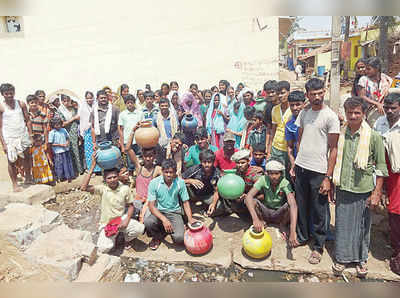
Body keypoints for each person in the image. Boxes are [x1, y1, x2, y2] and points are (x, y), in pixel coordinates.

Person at [332, 97, 388, 278]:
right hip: (343, 187)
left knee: (362, 227)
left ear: (364, 114)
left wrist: (377, 192)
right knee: (343, 224)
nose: (353, 116)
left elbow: (381, 166)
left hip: (363, 188)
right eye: (350, 112)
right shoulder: (340, 133)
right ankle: (341, 258)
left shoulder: (374, 137)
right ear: (345, 113)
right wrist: (329, 181)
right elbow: (333, 157)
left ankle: (361, 259)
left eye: (357, 112)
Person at [294, 78, 339, 264]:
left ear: (325, 91)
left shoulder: (331, 117)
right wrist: (295, 162)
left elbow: (334, 149)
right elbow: (300, 138)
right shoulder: (304, 113)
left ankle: (319, 246)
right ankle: (303, 237)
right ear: (307, 95)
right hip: (302, 167)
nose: (317, 97)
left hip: (319, 171)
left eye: (320, 93)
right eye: (313, 94)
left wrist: (328, 177)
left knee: (320, 210)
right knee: (302, 205)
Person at [81, 160, 145, 253]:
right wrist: (92, 168)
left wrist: (126, 220)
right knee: (103, 249)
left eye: (114, 177)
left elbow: (131, 206)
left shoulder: (124, 189)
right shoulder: (102, 189)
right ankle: (115, 238)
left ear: (118, 176)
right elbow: (83, 188)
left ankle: (126, 240)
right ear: (105, 179)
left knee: (140, 228)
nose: (112, 180)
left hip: (121, 220)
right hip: (107, 224)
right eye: (109, 178)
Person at [373, 91, 400, 275]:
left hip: (398, 172)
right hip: (383, 170)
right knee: (390, 209)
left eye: (394, 108)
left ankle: (397, 250)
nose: (389, 111)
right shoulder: (379, 122)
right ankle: (395, 245)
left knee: (395, 211)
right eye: (387, 107)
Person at [245, 160, 299, 248]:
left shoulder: (285, 183)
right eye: (271, 173)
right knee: (253, 201)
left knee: (291, 204)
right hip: (266, 211)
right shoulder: (263, 179)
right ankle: (262, 221)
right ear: (266, 173)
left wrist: (293, 231)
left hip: (279, 212)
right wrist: (255, 219)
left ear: (281, 174)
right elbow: (248, 197)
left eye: (277, 173)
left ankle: (283, 224)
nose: (274, 176)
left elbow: (293, 204)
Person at [144, 159, 195, 250]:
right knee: (148, 222)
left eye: (171, 172)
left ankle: (168, 230)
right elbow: (151, 206)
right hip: (159, 212)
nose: (168, 174)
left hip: (174, 212)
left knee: (179, 239)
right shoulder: (154, 183)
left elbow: (185, 202)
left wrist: (190, 219)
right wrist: (164, 220)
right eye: (166, 172)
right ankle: (158, 237)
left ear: (175, 172)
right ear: (162, 171)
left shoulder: (180, 183)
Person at [0, 83, 33, 191]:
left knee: (27, 156)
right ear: (3, 94)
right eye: (6, 93)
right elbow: (0, 127)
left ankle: (28, 178)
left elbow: (28, 120)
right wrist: (4, 144)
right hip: (10, 138)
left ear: (14, 92)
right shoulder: (1, 107)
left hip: (22, 135)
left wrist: (30, 135)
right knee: (11, 161)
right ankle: (15, 184)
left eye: (11, 93)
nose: (9, 95)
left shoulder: (21, 104)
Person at [183, 149, 228, 217]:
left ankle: (205, 208)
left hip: (207, 196)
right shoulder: (195, 169)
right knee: (183, 186)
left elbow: (216, 191)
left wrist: (213, 203)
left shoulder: (217, 173)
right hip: (193, 195)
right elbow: (178, 180)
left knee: (219, 208)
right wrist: (190, 181)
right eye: (204, 162)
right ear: (200, 162)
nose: (207, 165)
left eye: (209, 162)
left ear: (213, 162)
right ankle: (189, 205)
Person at [130, 147, 162, 223]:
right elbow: (128, 149)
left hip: (150, 200)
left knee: (147, 220)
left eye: (150, 156)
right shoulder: (139, 168)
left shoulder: (157, 169)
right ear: (142, 156)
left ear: (154, 156)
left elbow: (170, 174)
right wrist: (132, 134)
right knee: (129, 214)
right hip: (138, 199)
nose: (148, 159)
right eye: (145, 156)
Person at [358, 57, 393, 126]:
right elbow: (362, 96)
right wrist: (377, 104)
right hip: (371, 112)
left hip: (386, 110)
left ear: (377, 69)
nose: (366, 71)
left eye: (369, 69)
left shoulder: (387, 79)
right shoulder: (364, 80)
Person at [268, 81, 291, 169]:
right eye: (278, 94)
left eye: (283, 93)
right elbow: (273, 130)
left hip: (289, 148)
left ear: (289, 92)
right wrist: (269, 149)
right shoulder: (275, 109)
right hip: (276, 147)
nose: (280, 96)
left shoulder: (294, 109)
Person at [118, 94, 143, 173]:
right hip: (127, 142)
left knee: (140, 160)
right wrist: (122, 145)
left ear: (134, 103)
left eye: (131, 102)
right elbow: (120, 129)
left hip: (139, 141)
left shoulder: (139, 113)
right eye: (128, 103)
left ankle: (140, 176)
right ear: (125, 104)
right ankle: (132, 178)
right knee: (130, 162)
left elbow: (143, 126)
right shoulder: (122, 114)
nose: (130, 104)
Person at [59, 94, 83, 176]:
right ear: (61, 101)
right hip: (66, 132)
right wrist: (73, 119)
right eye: (64, 101)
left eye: (68, 101)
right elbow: (62, 124)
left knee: (77, 150)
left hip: (75, 131)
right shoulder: (60, 111)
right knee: (69, 151)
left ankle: (80, 169)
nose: (66, 103)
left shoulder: (73, 109)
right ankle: (73, 171)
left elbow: (79, 117)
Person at [285, 91, 306, 181]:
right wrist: (293, 164)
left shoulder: (311, 120)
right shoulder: (289, 124)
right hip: (298, 162)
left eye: (298, 104)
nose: (295, 108)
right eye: (292, 105)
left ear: (304, 104)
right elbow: (289, 147)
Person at [79, 91, 101, 174]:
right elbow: (82, 121)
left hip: (97, 130)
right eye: (87, 98)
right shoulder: (83, 108)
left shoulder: (96, 106)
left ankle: (99, 169)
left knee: (97, 150)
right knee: (89, 151)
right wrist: (82, 133)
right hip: (88, 132)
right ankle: (92, 170)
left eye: (91, 98)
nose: (89, 100)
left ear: (93, 98)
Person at [48, 117, 75, 182]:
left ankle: (69, 176)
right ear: (53, 125)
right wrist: (60, 145)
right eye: (56, 124)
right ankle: (60, 177)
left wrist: (67, 143)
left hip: (65, 149)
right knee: (59, 164)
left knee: (67, 163)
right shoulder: (52, 132)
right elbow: (50, 143)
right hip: (58, 151)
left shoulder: (63, 130)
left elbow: (67, 137)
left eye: (59, 124)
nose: (58, 126)